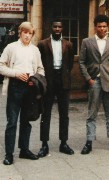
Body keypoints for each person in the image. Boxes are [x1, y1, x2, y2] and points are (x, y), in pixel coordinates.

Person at [0, 22, 45, 165]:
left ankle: (24, 150)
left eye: (30, 33)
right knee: (12, 121)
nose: (27, 36)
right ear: (20, 32)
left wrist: (35, 79)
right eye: (25, 33)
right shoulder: (11, 48)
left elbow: (41, 69)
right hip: (15, 86)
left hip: (30, 88)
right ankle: (9, 154)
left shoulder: (35, 50)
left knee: (26, 120)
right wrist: (16, 74)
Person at [79, 15, 109, 154]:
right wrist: (88, 79)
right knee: (92, 113)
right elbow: (81, 62)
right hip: (95, 81)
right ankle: (89, 142)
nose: (102, 29)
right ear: (95, 27)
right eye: (99, 26)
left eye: (104, 26)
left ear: (108, 27)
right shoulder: (87, 42)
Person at [37, 19, 75, 157]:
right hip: (48, 80)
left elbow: (70, 63)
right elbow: (39, 62)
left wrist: (63, 75)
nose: (57, 29)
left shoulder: (69, 44)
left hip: (63, 81)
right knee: (45, 113)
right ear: (51, 28)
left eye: (60, 26)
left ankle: (63, 143)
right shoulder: (42, 44)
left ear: (62, 28)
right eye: (55, 26)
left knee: (64, 114)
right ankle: (44, 144)